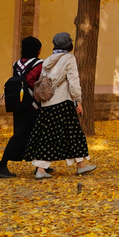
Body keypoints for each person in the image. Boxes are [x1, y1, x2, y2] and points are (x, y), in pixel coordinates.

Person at [24, 32, 96, 177]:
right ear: (69, 45)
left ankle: (79, 165)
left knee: (51, 135)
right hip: (63, 102)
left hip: (47, 103)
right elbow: (74, 81)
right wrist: (78, 100)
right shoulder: (69, 58)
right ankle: (42, 169)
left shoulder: (48, 60)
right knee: (71, 134)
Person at [0, 36, 46, 178]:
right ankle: (1, 165)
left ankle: (40, 166)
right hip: (33, 105)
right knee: (23, 135)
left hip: (18, 103)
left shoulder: (17, 64)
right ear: (38, 50)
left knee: (27, 134)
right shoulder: (40, 64)